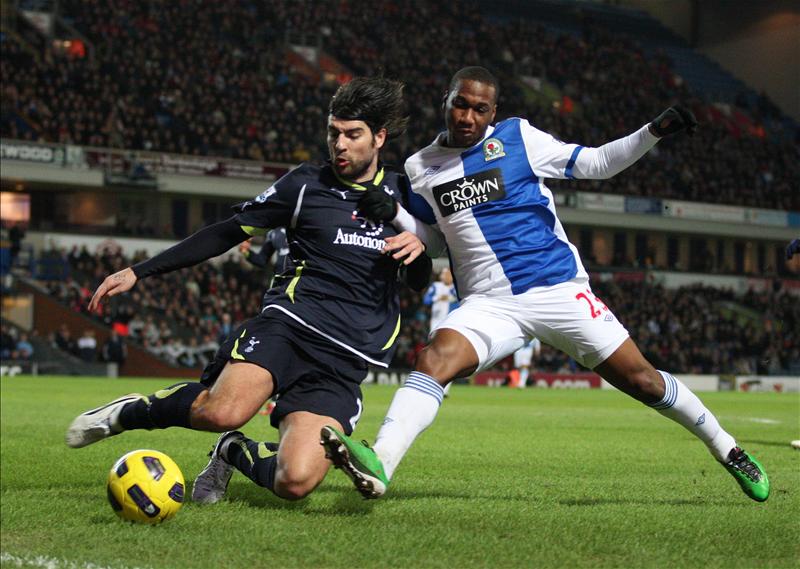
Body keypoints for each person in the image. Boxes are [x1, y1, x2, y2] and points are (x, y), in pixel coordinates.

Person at [320, 66, 769, 503]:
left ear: (493, 113)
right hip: (487, 301)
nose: (468, 117)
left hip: (557, 288)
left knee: (644, 381)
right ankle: (380, 463)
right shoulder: (421, 166)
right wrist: (396, 214)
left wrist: (653, 130)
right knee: (435, 359)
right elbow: (438, 239)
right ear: (446, 102)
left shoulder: (519, 138)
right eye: (461, 105)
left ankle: (728, 449)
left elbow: (595, 164)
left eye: (480, 109)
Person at [65, 76, 432, 504]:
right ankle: (128, 413)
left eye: (353, 135)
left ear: (379, 138)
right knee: (223, 411)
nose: (340, 145)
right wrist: (140, 271)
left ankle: (233, 451)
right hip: (290, 327)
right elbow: (225, 232)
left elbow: (419, 280)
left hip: (346, 355)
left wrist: (418, 245)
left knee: (295, 482)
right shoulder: (304, 186)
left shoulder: (403, 195)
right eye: (334, 133)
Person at [422, 267, 458, 395]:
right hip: (435, 325)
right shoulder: (436, 286)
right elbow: (425, 300)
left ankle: (445, 388)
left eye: (447, 273)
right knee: (435, 354)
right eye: (443, 273)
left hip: (450, 324)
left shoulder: (456, 288)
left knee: (448, 355)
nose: (444, 276)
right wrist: (438, 298)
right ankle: (431, 382)